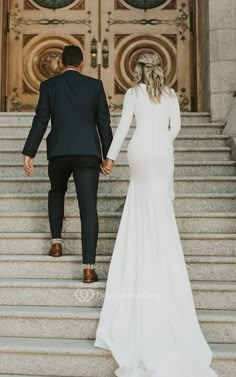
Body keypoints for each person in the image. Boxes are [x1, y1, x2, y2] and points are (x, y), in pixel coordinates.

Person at [95, 52, 218, 377]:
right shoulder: (171, 94)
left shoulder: (134, 93)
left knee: (139, 203)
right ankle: (159, 251)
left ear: (138, 69)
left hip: (139, 151)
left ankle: (141, 251)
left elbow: (122, 127)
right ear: (159, 69)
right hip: (162, 151)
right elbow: (175, 127)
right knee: (160, 206)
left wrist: (110, 157)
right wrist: (161, 140)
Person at [22, 45, 113, 283]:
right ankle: (89, 269)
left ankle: (56, 243)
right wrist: (108, 155)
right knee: (88, 208)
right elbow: (104, 121)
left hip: (60, 151)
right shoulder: (95, 86)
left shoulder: (49, 86)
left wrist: (29, 152)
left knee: (56, 192)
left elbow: (41, 119)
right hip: (87, 154)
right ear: (82, 64)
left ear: (62, 63)